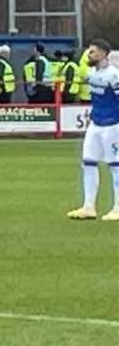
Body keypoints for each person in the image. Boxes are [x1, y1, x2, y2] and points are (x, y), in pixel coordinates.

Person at [66, 40, 119, 221]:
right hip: (95, 124)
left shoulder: (114, 75)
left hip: (112, 125)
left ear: (104, 54)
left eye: (93, 52)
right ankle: (89, 207)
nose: (89, 55)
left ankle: (118, 208)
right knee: (88, 162)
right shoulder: (91, 72)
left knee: (115, 166)